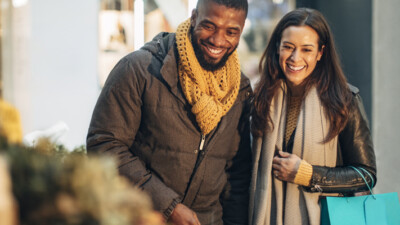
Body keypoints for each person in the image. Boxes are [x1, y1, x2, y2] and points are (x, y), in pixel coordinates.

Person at [87, 0, 252, 225]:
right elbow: (104, 145)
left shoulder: (239, 90)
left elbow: (237, 174)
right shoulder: (138, 70)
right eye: (209, 26)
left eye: (231, 32)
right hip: (142, 218)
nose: (218, 40)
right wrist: (168, 206)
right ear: (193, 18)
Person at [249, 8, 376, 225]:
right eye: (288, 47)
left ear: (320, 53)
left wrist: (309, 175)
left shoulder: (344, 100)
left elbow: (366, 174)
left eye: (306, 49)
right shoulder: (261, 98)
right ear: (277, 47)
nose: (295, 58)